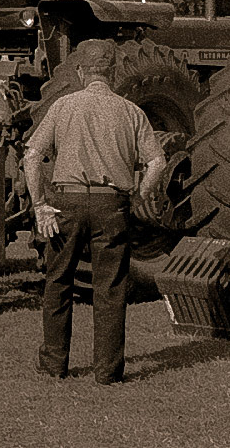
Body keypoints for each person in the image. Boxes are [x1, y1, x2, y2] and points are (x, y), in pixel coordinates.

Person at [24, 39, 166, 383]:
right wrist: (138, 197)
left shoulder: (62, 107)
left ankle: (55, 363)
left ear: (80, 71)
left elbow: (31, 157)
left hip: (66, 202)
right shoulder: (131, 111)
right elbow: (158, 162)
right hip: (111, 204)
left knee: (58, 282)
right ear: (113, 72)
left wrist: (40, 206)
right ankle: (107, 371)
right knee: (111, 288)